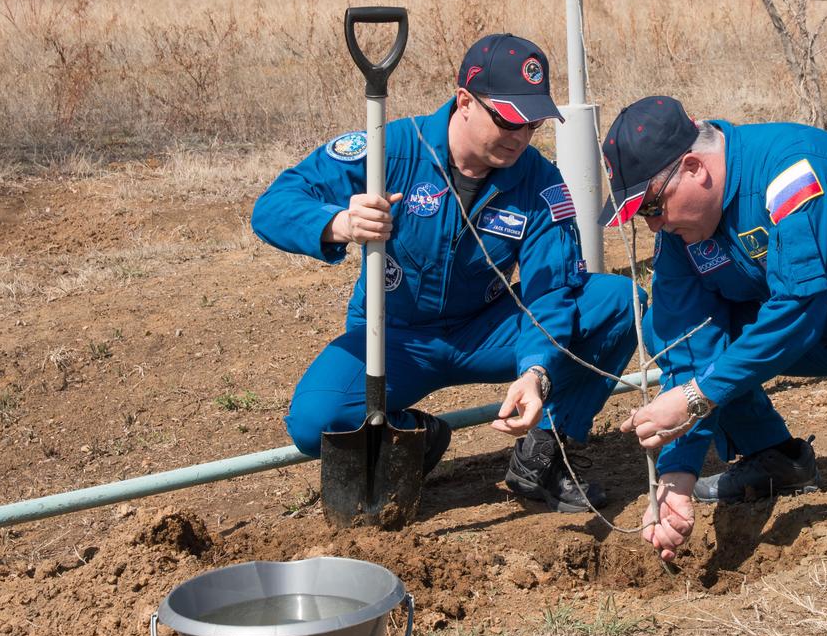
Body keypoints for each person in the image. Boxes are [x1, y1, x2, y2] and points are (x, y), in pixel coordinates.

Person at [252, 33, 641, 512]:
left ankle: (545, 451)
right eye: (508, 120)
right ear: (465, 102)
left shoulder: (539, 181)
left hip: (487, 332)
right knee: (316, 421)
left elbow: (552, 293)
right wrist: (340, 223)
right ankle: (418, 434)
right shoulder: (392, 149)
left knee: (617, 301)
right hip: (394, 337)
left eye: (533, 123)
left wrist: (537, 371)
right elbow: (273, 206)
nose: (521, 136)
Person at [600, 96, 827, 559]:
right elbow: (685, 340)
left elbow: (798, 305)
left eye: (652, 206)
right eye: (641, 215)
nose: (653, 225)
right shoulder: (684, 229)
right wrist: (677, 478)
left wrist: (698, 397)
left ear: (694, 167)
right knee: (663, 325)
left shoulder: (791, 172)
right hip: (815, 322)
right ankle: (775, 457)